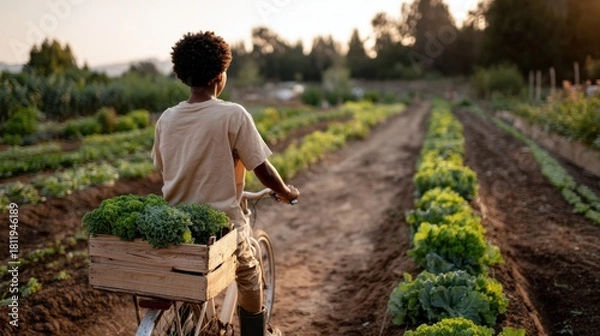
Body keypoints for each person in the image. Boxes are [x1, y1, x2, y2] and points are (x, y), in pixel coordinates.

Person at [151, 31, 299, 336]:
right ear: (220, 75)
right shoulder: (233, 115)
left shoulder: (166, 119)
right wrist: (284, 192)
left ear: (182, 75)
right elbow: (262, 168)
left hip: (177, 226)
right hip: (222, 226)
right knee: (249, 274)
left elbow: (162, 167)